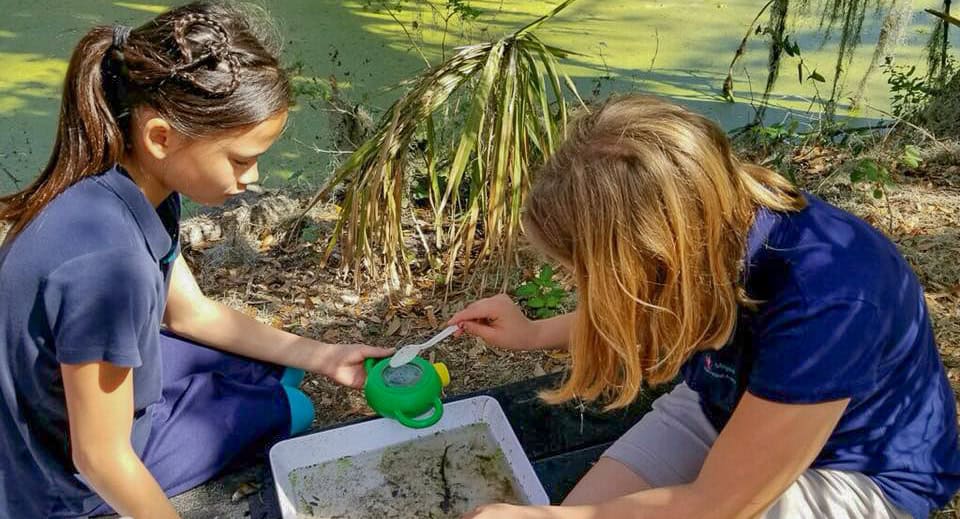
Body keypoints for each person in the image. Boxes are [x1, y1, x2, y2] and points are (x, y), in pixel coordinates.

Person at [452, 95, 960, 519]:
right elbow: (642, 301)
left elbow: (717, 504)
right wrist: (534, 332)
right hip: (725, 397)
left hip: (858, 470)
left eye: (584, 271)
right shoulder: (709, 225)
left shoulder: (829, 299)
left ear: (655, 251)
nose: (576, 283)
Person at [0, 2, 391, 517]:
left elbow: (189, 313)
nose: (252, 179)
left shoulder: (133, 180)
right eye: (241, 159)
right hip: (58, 482)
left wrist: (324, 356)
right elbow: (100, 457)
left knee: (286, 371)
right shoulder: (107, 268)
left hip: (70, 403)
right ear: (161, 137)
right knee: (294, 406)